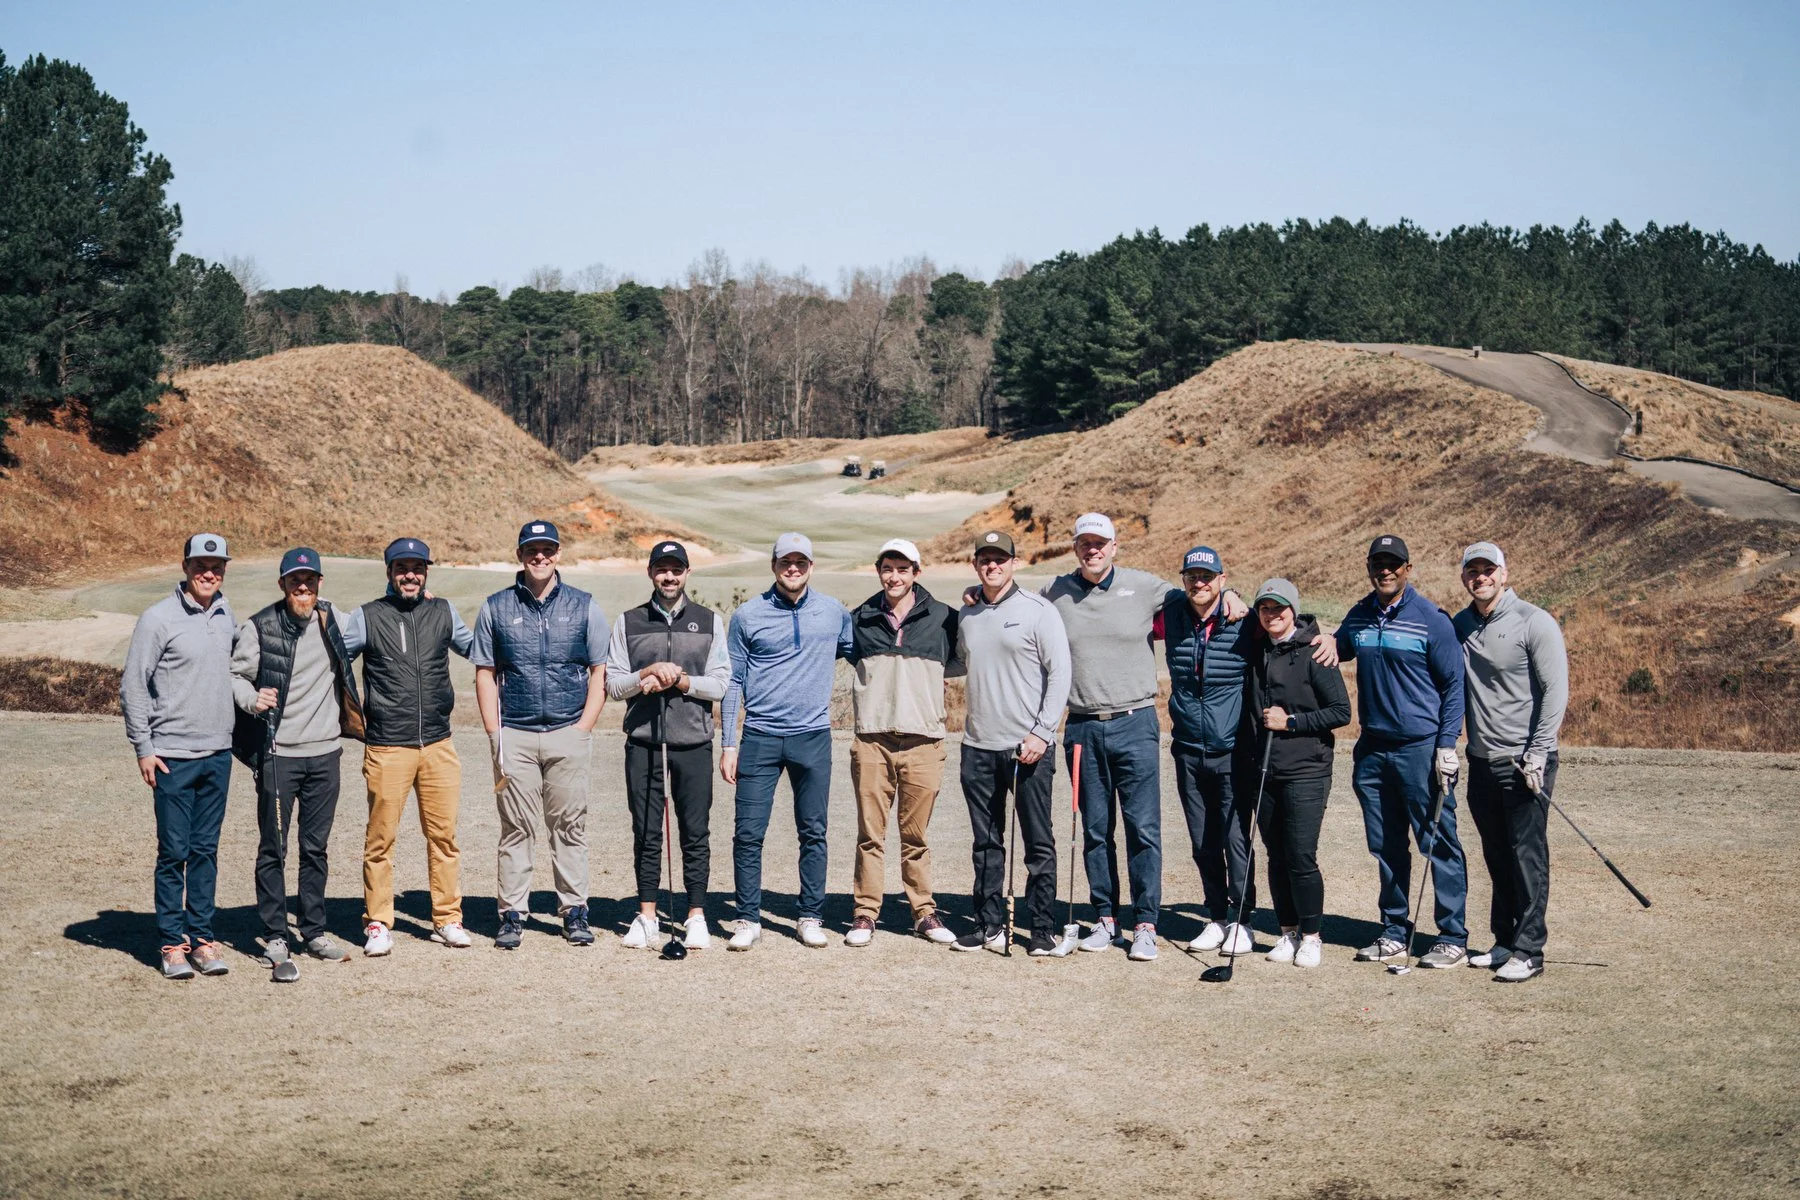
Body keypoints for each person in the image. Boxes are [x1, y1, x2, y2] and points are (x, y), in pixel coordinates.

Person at [1334, 534, 1470, 968]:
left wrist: (1447, 744)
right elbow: (1332, 649)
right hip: (1373, 749)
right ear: (1369, 568)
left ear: (1408, 569)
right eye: (1378, 563)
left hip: (1420, 748)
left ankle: (1453, 937)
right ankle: (1394, 931)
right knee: (1385, 845)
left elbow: (1454, 685)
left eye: (1394, 564)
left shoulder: (1431, 619)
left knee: (1438, 843)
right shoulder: (1359, 615)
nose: (1386, 571)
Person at [472, 520, 609, 949]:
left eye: (547, 549)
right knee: (516, 828)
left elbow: (599, 670)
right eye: (532, 549)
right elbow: (485, 672)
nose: (540, 556)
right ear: (520, 555)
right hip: (515, 734)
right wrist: (495, 733)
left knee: (569, 826)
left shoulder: (584, 605)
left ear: (558, 553)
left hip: (568, 732)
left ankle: (574, 910)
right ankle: (512, 914)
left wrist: (584, 727)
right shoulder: (495, 607)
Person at [231, 547, 366, 979]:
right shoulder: (259, 627)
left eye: (309, 580)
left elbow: (375, 622)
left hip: (325, 754)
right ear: (283, 584)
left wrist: (422, 600)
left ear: (320, 584)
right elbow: (234, 675)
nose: (302, 587)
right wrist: (251, 699)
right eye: (295, 580)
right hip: (278, 755)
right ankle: (275, 935)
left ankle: (313, 931)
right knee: (274, 848)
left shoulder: (334, 619)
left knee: (315, 848)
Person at [338, 536, 476, 956]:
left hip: (438, 743)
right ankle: (378, 922)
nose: (410, 576)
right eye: (402, 569)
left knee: (444, 837)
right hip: (387, 746)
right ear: (389, 572)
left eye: (417, 569)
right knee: (380, 840)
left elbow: (479, 649)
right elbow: (332, 658)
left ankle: (447, 919)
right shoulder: (368, 616)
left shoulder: (443, 611)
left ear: (426, 573)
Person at [719, 532, 854, 951]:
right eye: (785, 562)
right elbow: (733, 682)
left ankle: (810, 916)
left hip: (812, 736)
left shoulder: (833, 612)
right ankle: (747, 918)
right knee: (747, 833)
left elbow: (860, 650)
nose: (792, 569)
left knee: (813, 831)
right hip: (759, 736)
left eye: (800, 562)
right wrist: (728, 743)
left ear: (811, 566)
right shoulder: (748, 615)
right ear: (774, 566)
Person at [121, 534, 239, 980]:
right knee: (174, 853)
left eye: (216, 566)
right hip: (172, 756)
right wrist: (144, 748)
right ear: (185, 566)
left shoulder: (226, 615)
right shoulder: (158, 618)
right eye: (200, 565)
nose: (209, 573)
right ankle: (173, 944)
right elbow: (133, 685)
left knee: (205, 851)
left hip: (218, 754)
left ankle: (202, 940)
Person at [604, 540, 730, 952]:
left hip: (693, 742)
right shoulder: (629, 621)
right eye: (662, 569)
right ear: (650, 573)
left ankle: (696, 916)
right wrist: (647, 673)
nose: (669, 577)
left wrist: (682, 681)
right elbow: (613, 685)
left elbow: (721, 683)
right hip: (644, 742)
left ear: (687, 573)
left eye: (676, 569)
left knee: (695, 832)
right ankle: (647, 916)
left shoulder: (709, 621)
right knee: (646, 831)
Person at [1453, 541, 1568, 984]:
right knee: (1497, 855)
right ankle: (1504, 940)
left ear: (1504, 573)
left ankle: (1529, 950)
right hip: (1481, 760)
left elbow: (1555, 691)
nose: (1480, 577)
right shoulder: (1461, 624)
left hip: (1525, 762)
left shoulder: (1534, 621)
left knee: (1527, 856)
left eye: (1488, 569)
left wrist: (1539, 751)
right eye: (1473, 571)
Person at [954, 530, 1071, 955]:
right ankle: (989, 925)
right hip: (978, 746)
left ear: (1013, 563)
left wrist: (1043, 731)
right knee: (986, 844)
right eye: (985, 559)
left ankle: (1041, 928)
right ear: (975, 565)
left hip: (1028, 748)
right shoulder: (967, 614)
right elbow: (960, 660)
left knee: (1038, 843)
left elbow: (1060, 673)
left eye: (1000, 559)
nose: (992, 566)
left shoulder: (1039, 611)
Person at [845, 537, 961, 947]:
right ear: (879, 571)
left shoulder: (945, 617)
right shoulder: (859, 618)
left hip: (924, 741)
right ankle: (865, 913)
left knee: (916, 837)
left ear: (916, 572)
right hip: (872, 740)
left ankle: (923, 912)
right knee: (870, 835)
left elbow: (960, 660)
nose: (894, 577)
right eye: (887, 569)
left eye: (902, 569)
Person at [1240, 578, 1350, 969]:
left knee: (1301, 855)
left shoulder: (1315, 651)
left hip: (1307, 769)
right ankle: (1287, 932)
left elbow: (1341, 711)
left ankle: (1312, 936)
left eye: (1279, 608)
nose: (1272, 614)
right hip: (1265, 770)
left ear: (1293, 611)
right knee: (1276, 855)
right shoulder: (1257, 649)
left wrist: (1291, 722)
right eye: (1265, 608)